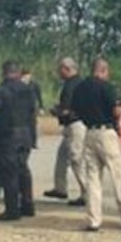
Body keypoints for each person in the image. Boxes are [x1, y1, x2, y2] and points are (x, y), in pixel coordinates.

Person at [70, 57, 121, 232]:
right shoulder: (106, 87)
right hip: (106, 133)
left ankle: (94, 220)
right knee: (118, 176)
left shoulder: (80, 88)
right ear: (103, 70)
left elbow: (74, 110)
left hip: (89, 132)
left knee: (93, 178)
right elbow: (116, 111)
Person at [0, 60, 36, 221]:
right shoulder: (29, 90)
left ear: (4, 72)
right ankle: (28, 206)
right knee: (23, 170)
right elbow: (33, 112)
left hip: (8, 136)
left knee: (10, 173)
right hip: (26, 134)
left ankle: (12, 210)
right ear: (19, 72)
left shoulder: (1, 91)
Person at [43, 57, 87, 206]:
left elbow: (67, 110)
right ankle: (60, 188)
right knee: (62, 156)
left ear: (67, 69)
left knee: (76, 159)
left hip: (75, 125)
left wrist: (56, 111)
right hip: (73, 125)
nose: (58, 73)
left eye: (60, 70)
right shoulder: (79, 83)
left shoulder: (71, 86)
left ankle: (86, 192)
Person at [21, 68, 44, 148]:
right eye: (25, 75)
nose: (27, 77)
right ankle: (24, 142)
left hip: (32, 107)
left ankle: (33, 142)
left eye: (28, 75)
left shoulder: (34, 85)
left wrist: (41, 107)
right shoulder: (19, 84)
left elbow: (39, 96)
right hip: (22, 108)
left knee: (32, 125)